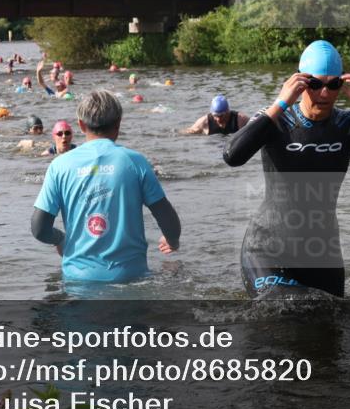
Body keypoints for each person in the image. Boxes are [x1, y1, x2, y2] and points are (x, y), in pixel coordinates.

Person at [222, 40, 350, 298]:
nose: (324, 93)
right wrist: (281, 102)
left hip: (321, 252)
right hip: (268, 249)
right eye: (315, 84)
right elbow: (232, 156)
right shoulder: (276, 120)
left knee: (329, 325)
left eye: (333, 84)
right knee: (280, 312)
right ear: (300, 83)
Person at [31, 90, 182, 283]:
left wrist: (60, 239)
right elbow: (167, 217)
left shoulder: (59, 166)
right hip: (131, 279)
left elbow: (39, 229)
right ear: (118, 124)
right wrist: (172, 240)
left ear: (81, 125)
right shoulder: (135, 162)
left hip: (78, 282)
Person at [184, 95, 249, 135]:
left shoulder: (240, 119)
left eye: (221, 116)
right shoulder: (204, 122)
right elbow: (187, 133)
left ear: (227, 112)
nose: (218, 119)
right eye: (215, 116)